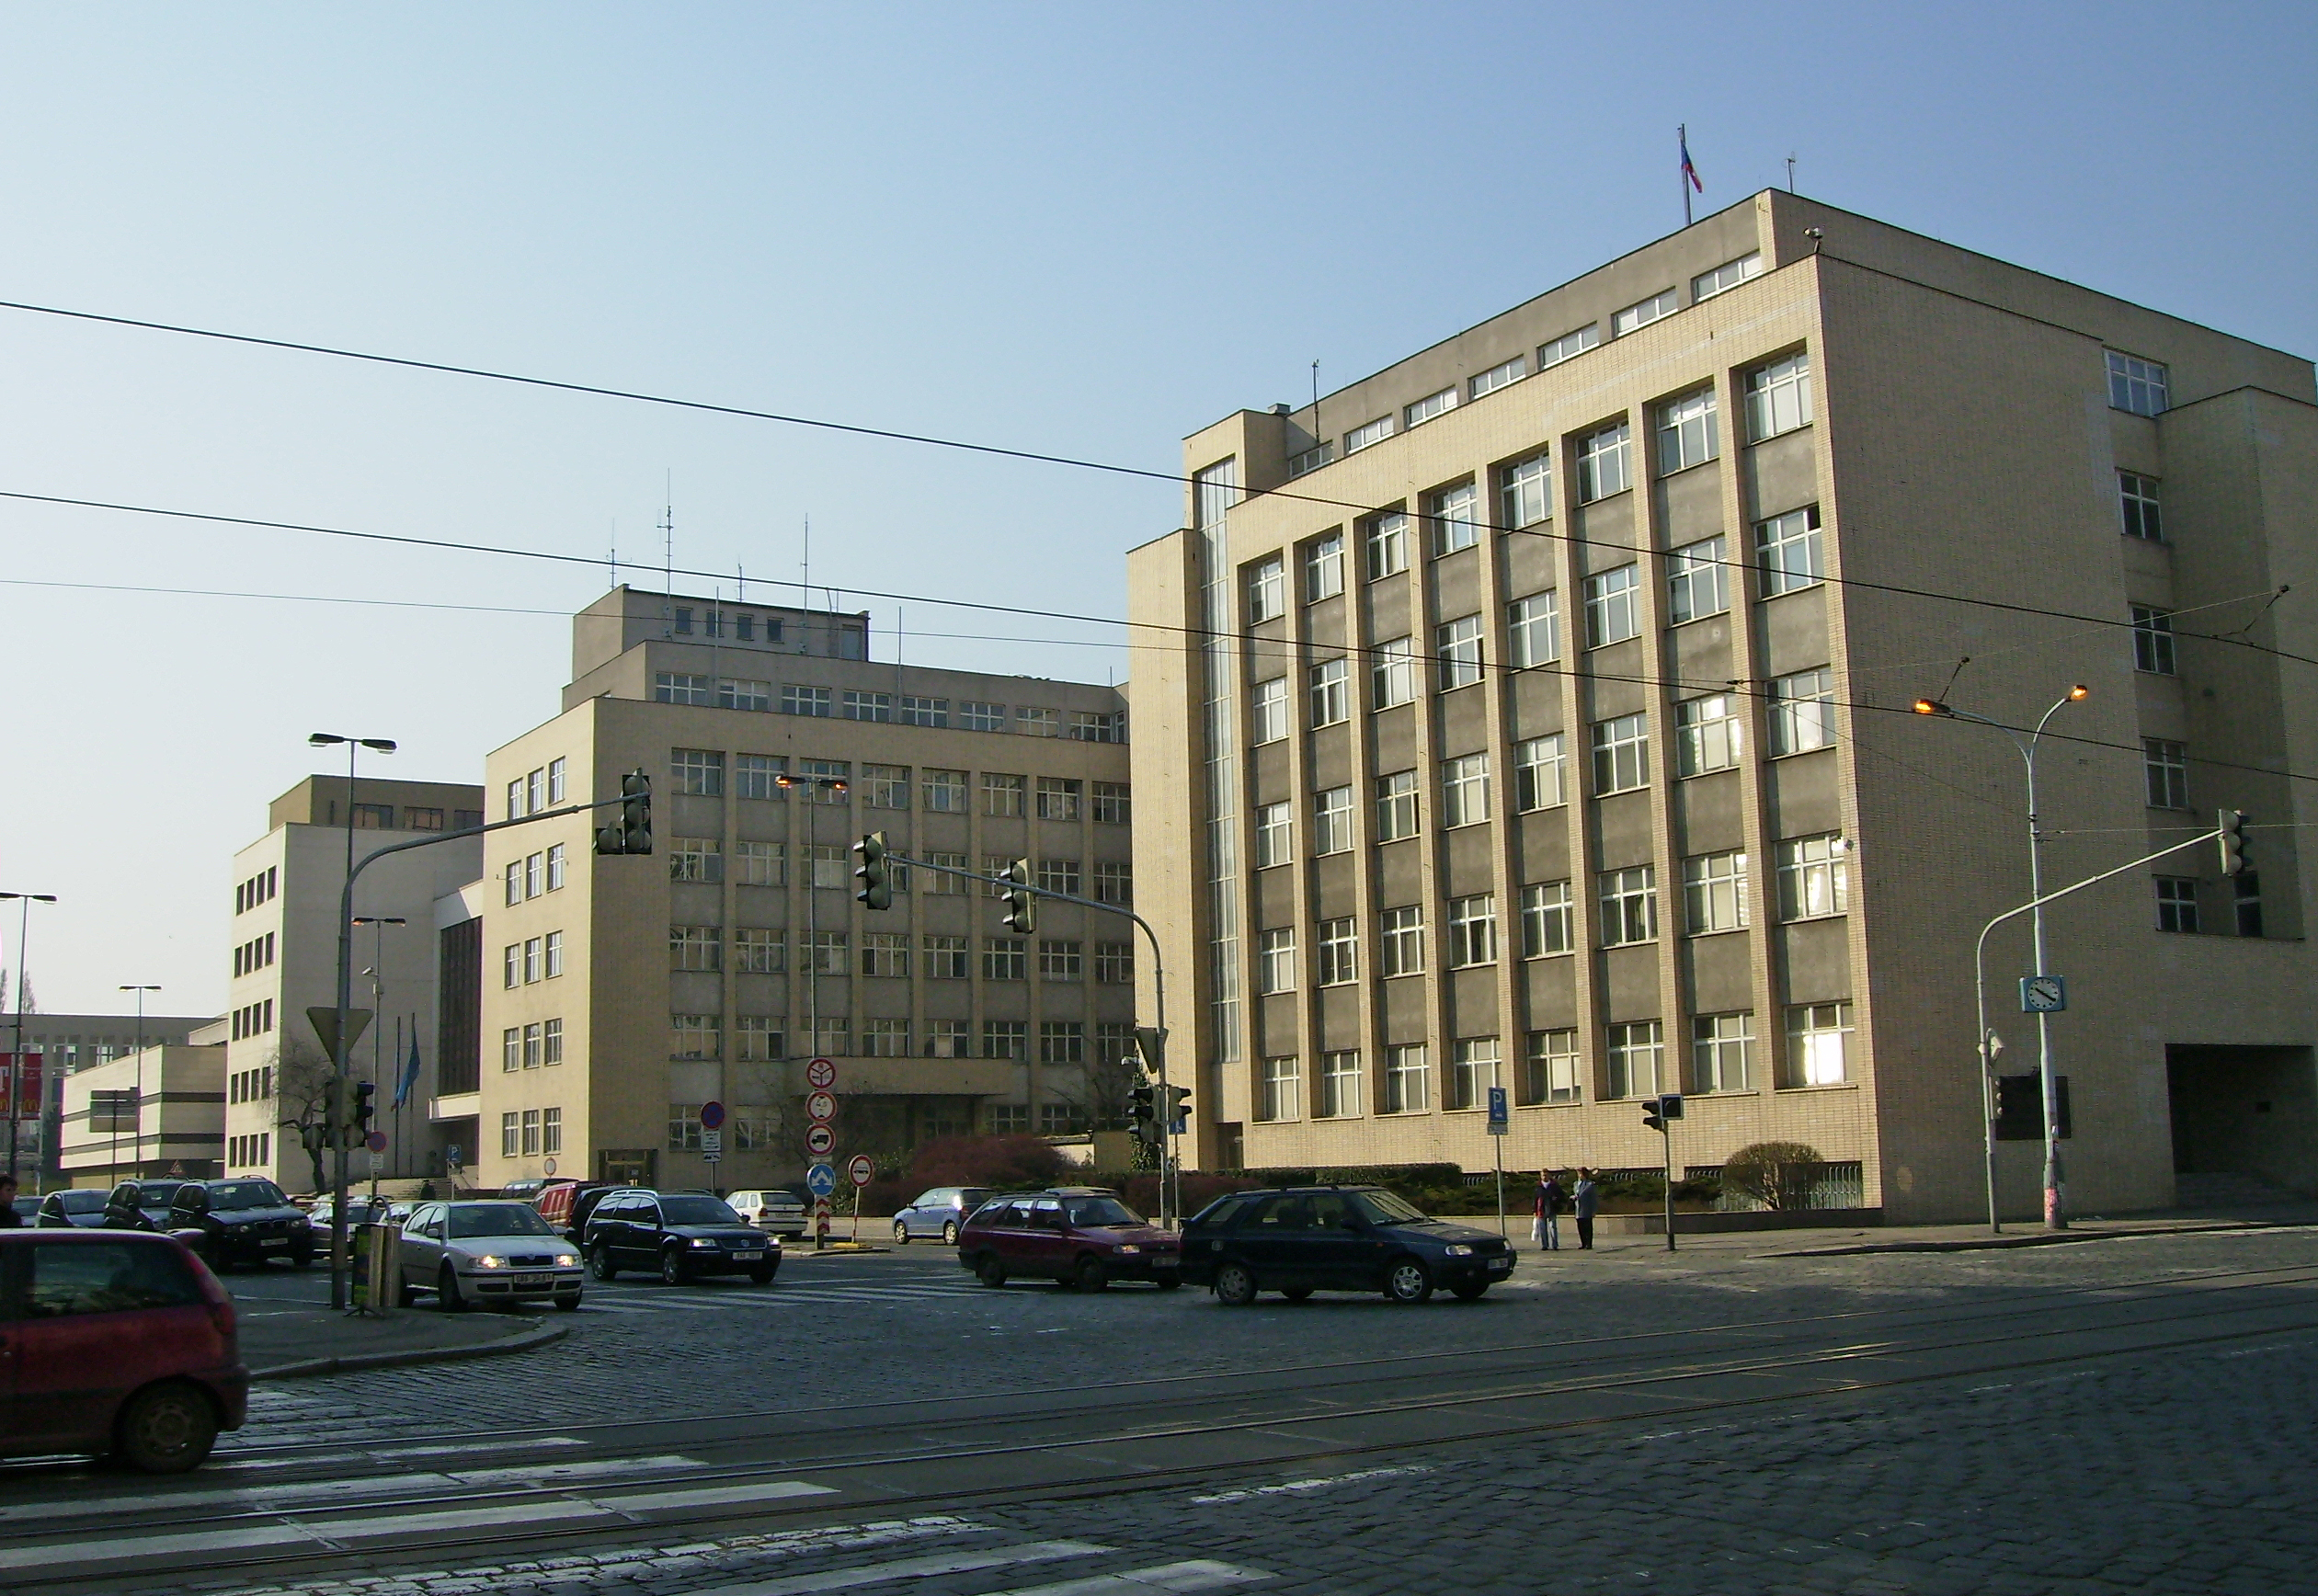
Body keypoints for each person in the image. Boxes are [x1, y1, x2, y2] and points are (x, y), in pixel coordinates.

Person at [1534, 1171, 1563, 1251]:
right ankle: (1544, 1245)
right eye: (1543, 1175)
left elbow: (1561, 1195)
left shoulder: (1554, 1186)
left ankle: (1555, 1245)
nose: (1545, 1177)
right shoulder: (1538, 1186)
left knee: (1553, 1227)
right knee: (1542, 1229)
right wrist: (1535, 1210)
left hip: (1552, 1209)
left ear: (1549, 1176)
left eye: (1546, 1175)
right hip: (1541, 1210)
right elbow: (1535, 1199)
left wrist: (1556, 1200)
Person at [1572, 1168, 1599, 1250]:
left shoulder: (1590, 1184)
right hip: (1578, 1209)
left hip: (1586, 1209)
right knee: (1580, 1227)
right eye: (1578, 1173)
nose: (1579, 1175)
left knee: (1587, 1227)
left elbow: (1594, 1198)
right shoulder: (1576, 1184)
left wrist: (1593, 1210)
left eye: (1581, 1173)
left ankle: (1588, 1243)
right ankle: (1583, 1243)